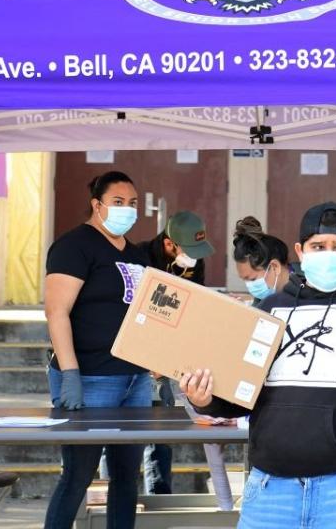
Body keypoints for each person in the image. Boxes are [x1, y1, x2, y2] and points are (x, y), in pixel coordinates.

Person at [180, 202, 336, 529]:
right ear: (300, 251)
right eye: (318, 246)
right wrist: (205, 399)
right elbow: (243, 391)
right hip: (269, 493)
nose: (329, 253)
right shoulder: (269, 308)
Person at [43, 171, 151, 529]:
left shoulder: (137, 255)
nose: (127, 210)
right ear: (97, 205)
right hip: (91, 380)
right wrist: (70, 374)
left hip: (135, 381)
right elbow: (56, 312)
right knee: (79, 473)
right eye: (118, 202)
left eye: (132, 203)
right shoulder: (75, 246)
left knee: (126, 475)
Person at [139, 210, 215, 495]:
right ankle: (111, 500)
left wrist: (169, 360)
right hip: (132, 362)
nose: (195, 257)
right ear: (170, 244)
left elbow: (193, 310)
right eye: (189, 250)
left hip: (166, 361)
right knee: (119, 441)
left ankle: (159, 501)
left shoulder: (195, 263)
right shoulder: (140, 259)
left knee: (162, 434)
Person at [232, 216, 291, 304]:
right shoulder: (263, 300)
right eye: (245, 280)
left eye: (252, 279)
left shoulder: (307, 298)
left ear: (275, 267)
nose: (250, 286)